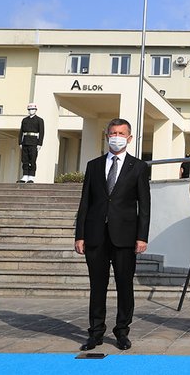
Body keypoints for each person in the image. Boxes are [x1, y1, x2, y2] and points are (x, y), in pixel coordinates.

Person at [74, 118, 151, 352]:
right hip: (95, 234)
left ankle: (122, 332)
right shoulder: (94, 165)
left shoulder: (138, 167)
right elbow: (85, 202)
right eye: (113, 133)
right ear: (107, 136)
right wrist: (80, 235)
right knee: (97, 286)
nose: (116, 137)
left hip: (125, 236)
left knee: (124, 285)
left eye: (121, 133)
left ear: (129, 138)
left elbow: (144, 205)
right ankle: (95, 332)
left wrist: (142, 237)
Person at [18, 103, 44, 183]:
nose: (31, 111)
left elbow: (41, 132)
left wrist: (39, 144)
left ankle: (31, 176)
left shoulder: (39, 120)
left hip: (34, 142)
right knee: (24, 159)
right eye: (29, 109)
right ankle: (25, 175)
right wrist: (20, 142)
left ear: (35, 110)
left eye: (32, 109)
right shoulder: (25, 120)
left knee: (32, 159)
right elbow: (21, 132)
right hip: (25, 141)